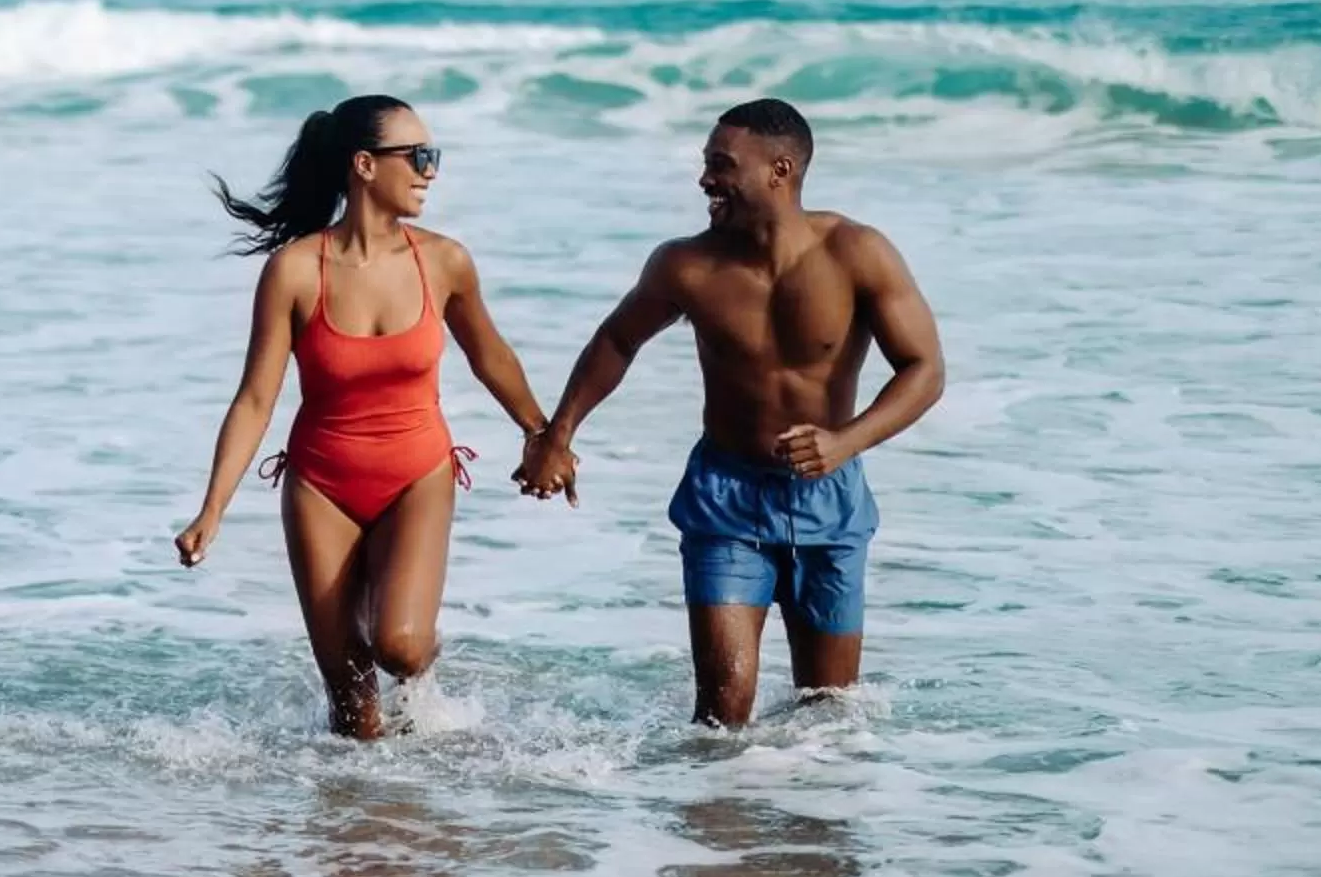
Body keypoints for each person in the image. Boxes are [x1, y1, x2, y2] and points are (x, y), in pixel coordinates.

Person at [516, 99, 944, 725]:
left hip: (829, 498)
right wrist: (558, 435)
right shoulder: (686, 265)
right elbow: (618, 340)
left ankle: (803, 795)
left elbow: (925, 369)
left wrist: (846, 442)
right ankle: (718, 792)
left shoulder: (857, 252)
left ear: (780, 170)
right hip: (726, 497)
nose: (705, 180)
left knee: (827, 711)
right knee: (722, 712)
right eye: (706, 164)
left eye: (721, 165)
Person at [176, 95, 555, 740]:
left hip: (417, 474)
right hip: (321, 484)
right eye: (419, 156)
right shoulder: (295, 271)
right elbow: (256, 398)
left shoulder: (445, 261)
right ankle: (362, 805)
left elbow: (490, 355)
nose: (431, 170)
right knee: (353, 711)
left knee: (400, 647)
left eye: (434, 156)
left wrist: (542, 434)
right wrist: (212, 510)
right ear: (365, 165)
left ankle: (422, 681)